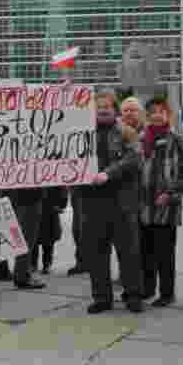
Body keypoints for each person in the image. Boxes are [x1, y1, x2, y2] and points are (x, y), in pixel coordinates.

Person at [78, 91, 143, 314]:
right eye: (98, 106)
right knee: (97, 254)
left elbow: (134, 159)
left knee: (129, 252)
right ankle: (102, 298)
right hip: (92, 202)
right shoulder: (80, 133)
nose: (103, 109)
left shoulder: (127, 132)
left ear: (114, 108)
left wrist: (109, 173)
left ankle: (133, 296)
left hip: (121, 202)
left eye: (106, 105)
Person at [138, 97, 183, 307]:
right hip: (144, 207)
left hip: (166, 208)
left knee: (165, 254)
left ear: (168, 115)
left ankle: (167, 293)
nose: (156, 115)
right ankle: (148, 288)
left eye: (161, 111)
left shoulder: (176, 139)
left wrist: (171, 195)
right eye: (152, 112)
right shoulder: (141, 138)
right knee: (145, 253)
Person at [30, 187, 67, 275]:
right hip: (34, 203)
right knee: (33, 237)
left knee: (49, 239)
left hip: (50, 205)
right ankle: (33, 264)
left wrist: (61, 203)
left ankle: (46, 264)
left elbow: (61, 185)